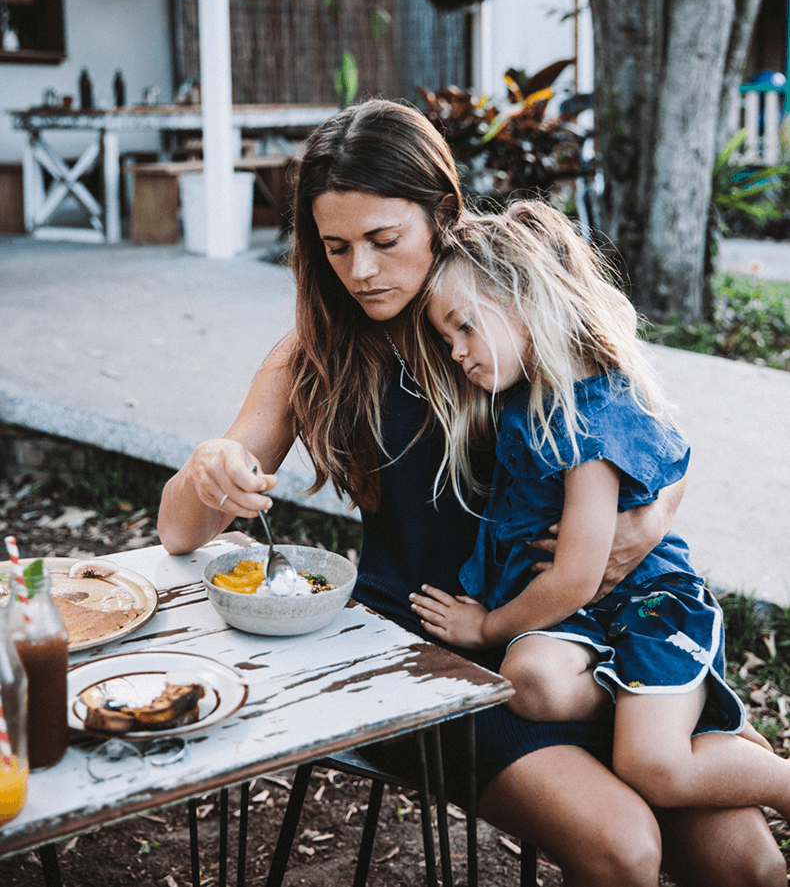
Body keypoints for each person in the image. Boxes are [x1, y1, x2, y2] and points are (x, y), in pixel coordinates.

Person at [158, 99, 785, 886]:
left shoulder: (501, 321)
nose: (361, 271)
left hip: (582, 636)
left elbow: (650, 436)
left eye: (384, 241)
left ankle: (640, 707)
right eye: (337, 247)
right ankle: (640, 710)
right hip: (431, 657)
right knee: (625, 847)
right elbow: (180, 529)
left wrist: (645, 523)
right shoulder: (312, 357)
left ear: (441, 214)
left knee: (751, 868)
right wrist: (208, 465)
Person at [410, 199, 790, 828]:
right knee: (528, 678)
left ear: (528, 301)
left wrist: (485, 627)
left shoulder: (589, 423)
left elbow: (577, 577)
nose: (455, 351)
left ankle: (775, 780)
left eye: (465, 327)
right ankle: (686, 711)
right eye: (447, 337)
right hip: (584, 619)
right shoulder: (531, 393)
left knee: (654, 770)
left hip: (644, 608)